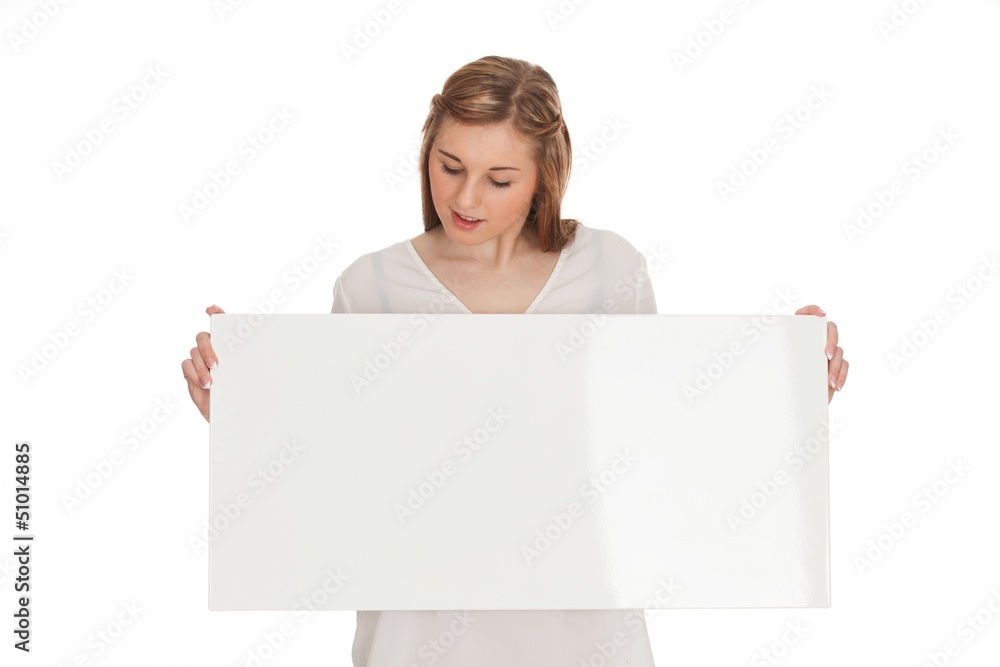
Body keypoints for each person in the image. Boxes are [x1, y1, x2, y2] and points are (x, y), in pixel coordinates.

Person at [181, 55, 849, 666]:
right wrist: (244, 420)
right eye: (450, 167)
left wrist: (781, 393)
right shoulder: (372, 287)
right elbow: (338, 482)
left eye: (499, 179)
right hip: (417, 641)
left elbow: (658, 454)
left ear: (542, 179)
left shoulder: (609, 270)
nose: (466, 199)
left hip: (585, 636)